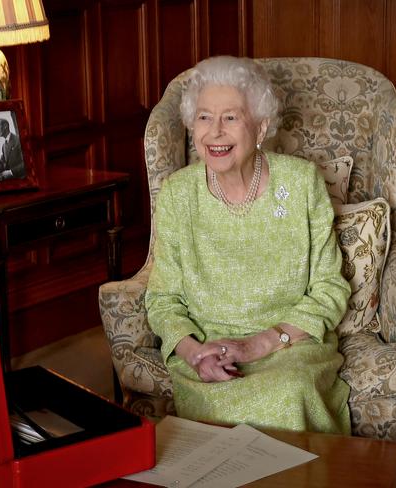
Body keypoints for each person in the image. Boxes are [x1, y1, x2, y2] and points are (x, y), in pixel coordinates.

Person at [145, 56, 352, 434]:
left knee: (289, 394)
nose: (215, 132)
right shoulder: (177, 194)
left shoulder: (302, 183)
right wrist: (194, 355)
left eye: (231, 117)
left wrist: (258, 345)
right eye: (204, 117)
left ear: (260, 127)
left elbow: (329, 288)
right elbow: (163, 300)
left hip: (290, 346)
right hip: (208, 354)